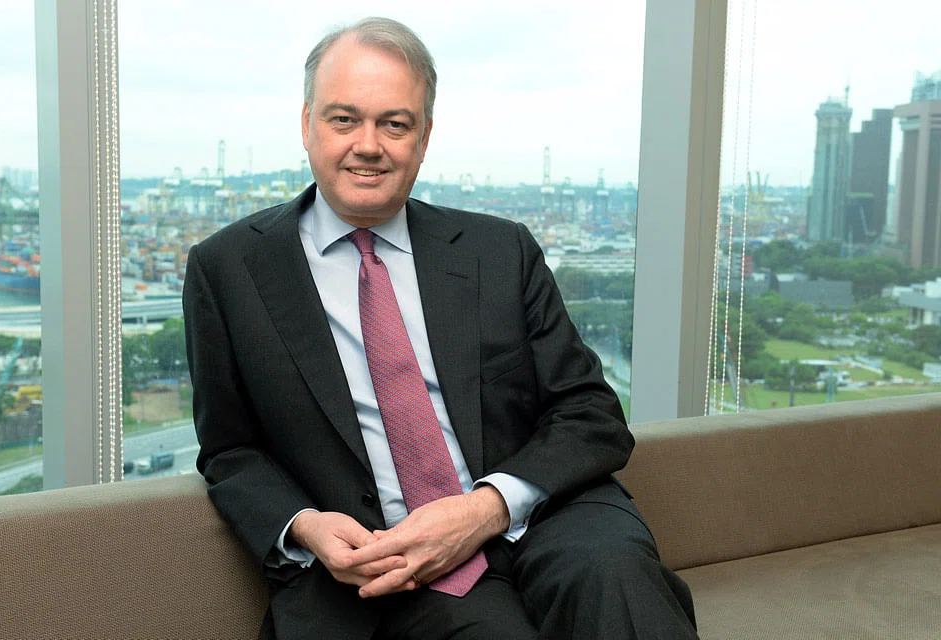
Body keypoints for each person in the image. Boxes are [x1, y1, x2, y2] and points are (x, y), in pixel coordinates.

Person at [183, 16, 697, 640]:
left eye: (394, 124)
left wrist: (486, 508)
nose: (368, 145)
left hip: (545, 511)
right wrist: (306, 526)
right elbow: (230, 449)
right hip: (389, 558)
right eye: (344, 119)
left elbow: (591, 413)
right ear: (307, 124)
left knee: (620, 585)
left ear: (424, 138)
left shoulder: (500, 250)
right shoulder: (227, 269)